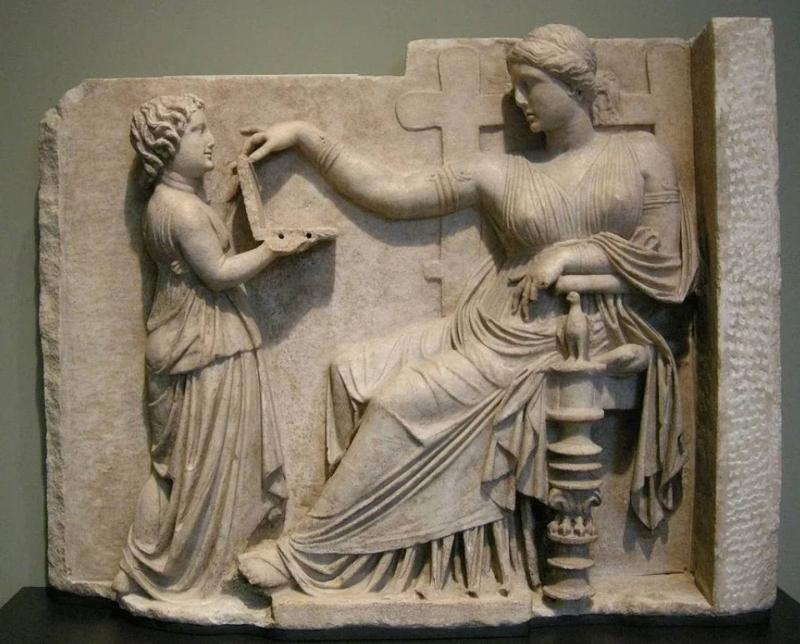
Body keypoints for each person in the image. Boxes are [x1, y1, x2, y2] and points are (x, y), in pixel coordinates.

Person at [238, 24, 697, 597]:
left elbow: (668, 267)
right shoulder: (503, 172)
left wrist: (574, 254)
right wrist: (308, 140)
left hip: (574, 335)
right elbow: (393, 194)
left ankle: (312, 550)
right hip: (494, 326)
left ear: (574, 84)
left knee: (400, 402)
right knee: (352, 369)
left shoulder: (641, 156)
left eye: (530, 84)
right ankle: (409, 548)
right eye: (514, 86)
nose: (519, 99)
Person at [113, 94, 320, 602]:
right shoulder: (183, 210)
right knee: (206, 473)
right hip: (207, 347)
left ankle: (139, 566)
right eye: (198, 131)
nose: (210, 140)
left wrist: (234, 205)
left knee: (175, 473)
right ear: (167, 147)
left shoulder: (169, 202)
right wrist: (275, 249)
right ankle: (182, 574)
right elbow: (220, 273)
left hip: (184, 342)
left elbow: (204, 255)